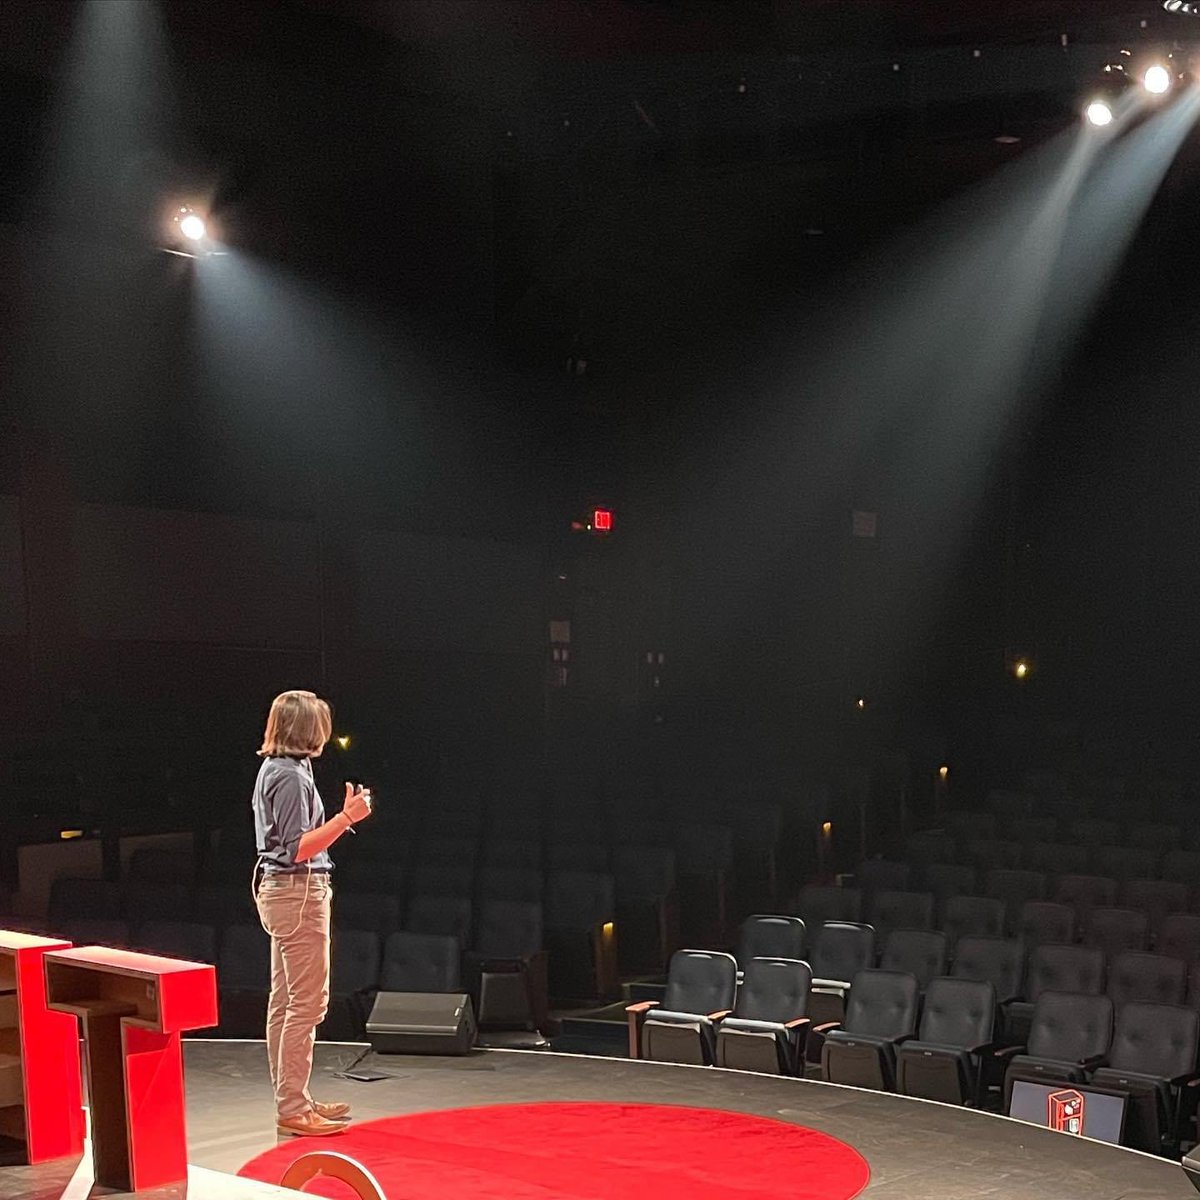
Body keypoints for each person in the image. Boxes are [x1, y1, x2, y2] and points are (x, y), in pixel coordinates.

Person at [251, 689, 372, 1137]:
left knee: (286, 1000)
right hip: (298, 891)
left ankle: (293, 1097)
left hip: (287, 891)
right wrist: (346, 818)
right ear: (309, 731)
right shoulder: (291, 777)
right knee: (305, 1003)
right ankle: (293, 1106)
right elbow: (297, 848)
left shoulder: (282, 769)